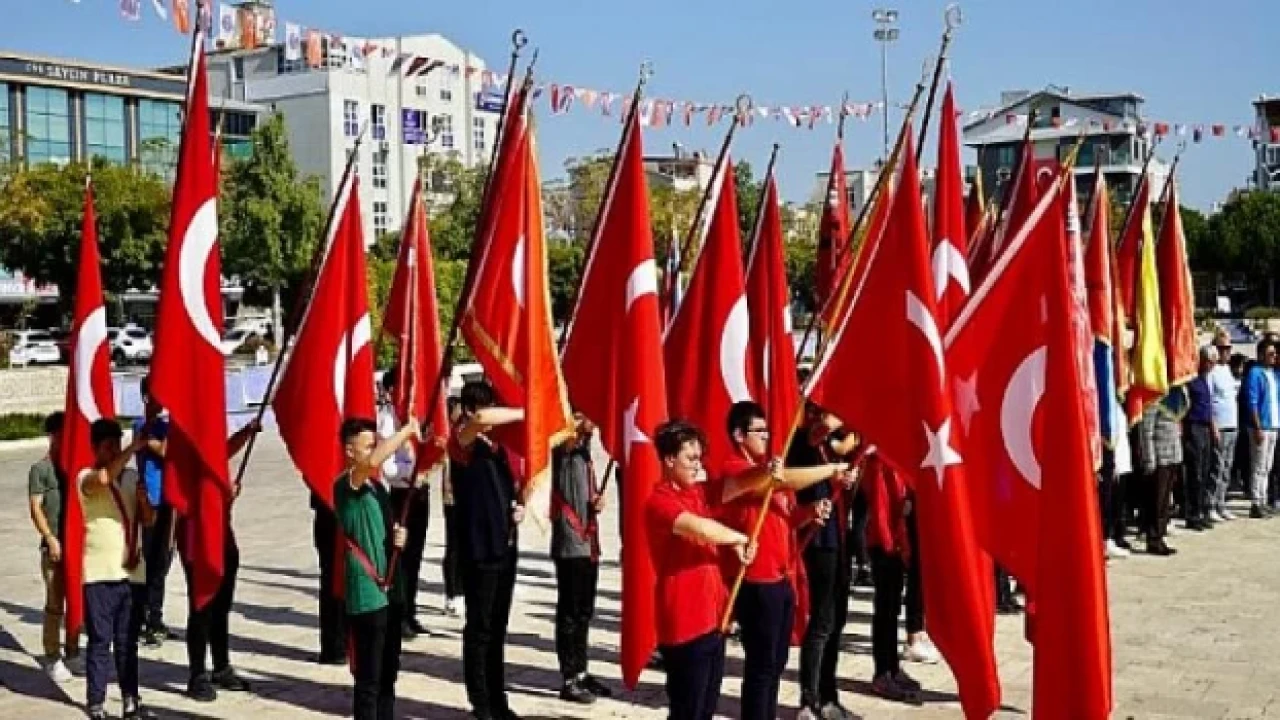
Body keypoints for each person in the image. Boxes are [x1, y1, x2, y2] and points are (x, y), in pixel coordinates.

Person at [715, 401, 847, 720]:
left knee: (776, 662)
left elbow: (786, 515)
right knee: (761, 665)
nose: (765, 436)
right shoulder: (736, 468)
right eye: (758, 431)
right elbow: (779, 480)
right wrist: (830, 470)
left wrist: (809, 513)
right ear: (738, 435)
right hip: (757, 580)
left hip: (783, 575)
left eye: (766, 430)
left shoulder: (767, 469)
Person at [646, 420, 756, 720]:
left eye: (699, 458)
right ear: (670, 459)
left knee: (706, 708)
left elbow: (738, 485)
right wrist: (738, 538)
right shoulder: (659, 501)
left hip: (713, 617)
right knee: (688, 710)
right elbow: (699, 528)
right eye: (690, 458)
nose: (698, 465)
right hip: (684, 619)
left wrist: (768, 472)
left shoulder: (699, 493)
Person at [450, 380, 525, 720]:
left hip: (505, 543)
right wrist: (528, 411)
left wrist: (519, 506)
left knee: (497, 627)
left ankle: (498, 698)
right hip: (478, 548)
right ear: (469, 410)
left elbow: (513, 486)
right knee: (479, 627)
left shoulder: (499, 446)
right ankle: (480, 701)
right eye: (488, 408)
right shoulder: (462, 441)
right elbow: (480, 421)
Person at [335, 415, 419, 720]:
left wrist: (399, 537)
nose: (375, 450)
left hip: (390, 588)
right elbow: (371, 462)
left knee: (388, 672)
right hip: (367, 592)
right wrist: (406, 431)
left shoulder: (376, 487)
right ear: (350, 450)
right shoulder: (347, 484)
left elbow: (385, 527)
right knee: (369, 677)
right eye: (368, 445)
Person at [181, 419, 263, 702]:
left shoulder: (212, 455)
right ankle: (197, 674)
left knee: (221, 608)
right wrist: (224, 492)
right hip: (198, 542)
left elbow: (224, 450)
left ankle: (221, 666)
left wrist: (247, 432)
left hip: (223, 538)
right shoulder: (186, 459)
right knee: (201, 607)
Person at [78, 418, 154, 720]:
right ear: (95, 448)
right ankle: (96, 702)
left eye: (117, 444)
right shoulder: (87, 478)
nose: (114, 450)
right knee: (100, 641)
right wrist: (134, 448)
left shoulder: (132, 476)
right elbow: (104, 478)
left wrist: (144, 502)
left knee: (127, 643)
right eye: (108, 446)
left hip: (132, 572)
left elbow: (148, 519)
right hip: (99, 573)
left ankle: (130, 698)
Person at [789, 403, 859, 720]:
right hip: (817, 540)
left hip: (837, 536)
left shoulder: (826, 447)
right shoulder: (802, 441)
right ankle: (810, 698)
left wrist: (844, 480)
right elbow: (825, 429)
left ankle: (829, 694)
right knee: (821, 622)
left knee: (836, 620)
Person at [549, 412, 610, 704]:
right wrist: (578, 422)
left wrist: (597, 500)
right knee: (570, 612)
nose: (592, 422)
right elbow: (563, 436)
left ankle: (582, 671)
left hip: (589, 541)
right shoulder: (565, 447)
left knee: (585, 610)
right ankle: (569, 677)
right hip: (571, 542)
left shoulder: (584, 450)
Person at [862, 454, 923, 703]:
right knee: (885, 610)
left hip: (895, 542)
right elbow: (879, 508)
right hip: (885, 544)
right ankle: (882, 672)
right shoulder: (880, 462)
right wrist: (890, 545)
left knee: (892, 609)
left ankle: (892, 667)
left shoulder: (894, 462)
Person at [28, 411, 80, 682]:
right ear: (52, 436)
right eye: (60, 434)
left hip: (76, 544)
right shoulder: (41, 470)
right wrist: (49, 537)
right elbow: (35, 507)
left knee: (77, 600)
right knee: (54, 603)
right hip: (54, 546)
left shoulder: (74, 468)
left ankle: (73, 650)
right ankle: (52, 655)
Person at [377, 373, 429, 639]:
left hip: (419, 492)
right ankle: (399, 615)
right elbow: (388, 467)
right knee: (400, 558)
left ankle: (410, 611)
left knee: (415, 557)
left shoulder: (414, 417)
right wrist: (411, 473)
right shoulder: (387, 421)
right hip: (400, 493)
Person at [132, 376, 174, 646]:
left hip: (168, 501)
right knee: (147, 563)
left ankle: (155, 617)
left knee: (163, 561)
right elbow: (165, 451)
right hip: (149, 502)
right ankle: (141, 618)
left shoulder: (166, 426)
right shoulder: (141, 426)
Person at [1137, 396, 1183, 555]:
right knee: (1156, 501)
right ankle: (1153, 539)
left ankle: (1160, 536)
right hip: (1159, 458)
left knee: (1164, 502)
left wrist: (1178, 456)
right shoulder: (1153, 400)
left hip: (1172, 456)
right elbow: (1146, 431)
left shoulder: (1172, 400)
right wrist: (1149, 459)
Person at [1183, 347, 1218, 531]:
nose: (1212, 366)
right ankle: (1192, 514)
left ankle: (1201, 511)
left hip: (1205, 427)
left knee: (1204, 470)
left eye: (1214, 362)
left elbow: (1208, 407)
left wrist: (1213, 427)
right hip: (1194, 426)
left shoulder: (1205, 379)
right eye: (1210, 362)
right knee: (1195, 472)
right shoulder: (1192, 379)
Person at [1244, 340, 1279, 519]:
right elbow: (1252, 401)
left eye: (1275, 354)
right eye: (1270, 354)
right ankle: (1256, 502)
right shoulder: (1255, 373)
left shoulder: (1274, 374)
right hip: (1261, 426)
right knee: (1258, 465)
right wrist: (1257, 426)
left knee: (1267, 466)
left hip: (1273, 425)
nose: (1274, 357)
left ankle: (1263, 499)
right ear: (1261, 355)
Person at [311, 489, 347, 665]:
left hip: (341, 510)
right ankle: (335, 646)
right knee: (334, 578)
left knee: (340, 579)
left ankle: (339, 645)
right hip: (332, 511)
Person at [1207, 331, 1239, 521]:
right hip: (1220, 426)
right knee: (1216, 468)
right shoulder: (1212, 372)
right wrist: (1213, 426)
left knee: (1227, 467)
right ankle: (1211, 504)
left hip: (1232, 424)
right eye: (1223, 348)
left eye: (1228, 348)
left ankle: (1221, 503)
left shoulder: (1227, 370)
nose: (1227, 352)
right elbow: (1210, 401)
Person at [441, 398, 465, 618]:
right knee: (454, 546)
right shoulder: (447, 436)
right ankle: (452, 593)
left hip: (467, 497)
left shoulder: (464, 432)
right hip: (452, 498)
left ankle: (461, 589)